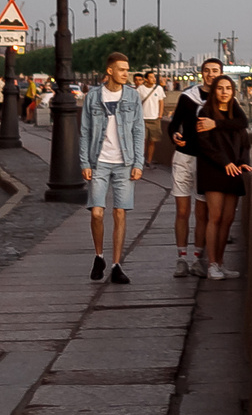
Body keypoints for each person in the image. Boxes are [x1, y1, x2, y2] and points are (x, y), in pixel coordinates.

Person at [79, 52, 148, 286]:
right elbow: (85, 131)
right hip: (98, 161)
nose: (126, 73)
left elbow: (138, 130)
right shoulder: (93, 96)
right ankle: (99, 256)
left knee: (120, 213)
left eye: (127, 69)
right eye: (121, 69)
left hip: (124, 162)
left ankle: (117, 265)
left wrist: (138, 163)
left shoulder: (132, 96)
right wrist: (84, 163)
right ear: (110, 71)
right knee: (96, 212)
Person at [165, 57, 227, 278]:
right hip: (184, 157)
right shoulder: (188, 97)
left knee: (203, 213)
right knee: (182, 211)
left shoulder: (224, 98)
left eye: (215, 71)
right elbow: (174, 124)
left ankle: (198, 259)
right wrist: (175, 135)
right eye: (207, 70)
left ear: (221, 73)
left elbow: (236, 126)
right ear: (201, 73)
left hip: (206, 162)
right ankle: (181, 258)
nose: (211, 74)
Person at [189, 72, 252, 280]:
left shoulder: (236, 114)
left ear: (233, 92)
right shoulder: (205, 112)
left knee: (228, 219)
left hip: (234, 170)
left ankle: (221, 263)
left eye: (228, 88)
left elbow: (244, 140)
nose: (224, 92)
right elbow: (204, 144)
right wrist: (225, 162)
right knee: (214, 217)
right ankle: (212, 264)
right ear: (214, 91)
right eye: (220, 88)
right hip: (213, 169)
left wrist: (242, 162)